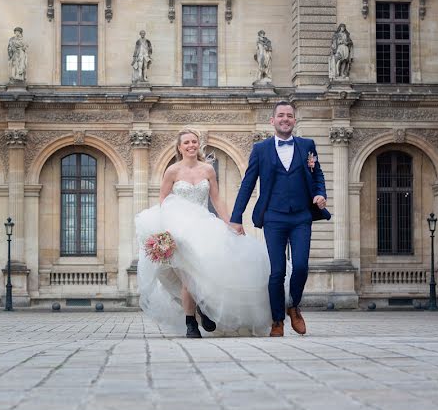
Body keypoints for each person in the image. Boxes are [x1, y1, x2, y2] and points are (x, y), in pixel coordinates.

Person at [135, 128, 272, 338]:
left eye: (194, 142)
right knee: (189, 279)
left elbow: (216, 199)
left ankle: (202, 308)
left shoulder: (208, 170)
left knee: (207, 273)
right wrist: (165, 228)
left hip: (204, 226)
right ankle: (191, 323)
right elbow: (163, 199)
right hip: (180, 229)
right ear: (180, 147)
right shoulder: (172, 171)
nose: (191, 145)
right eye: (186, 143)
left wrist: (232, 222)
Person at [230, 101, 330, 337]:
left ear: (295, 121)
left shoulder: (307, 145)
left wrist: (320, 194)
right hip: (273, 217)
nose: (285, 119)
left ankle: (293, 306)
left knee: (302, 266)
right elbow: (248, 184)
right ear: (272, 121)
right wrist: (236, 217)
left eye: (289, 116)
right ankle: (277, 321)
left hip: (301, 216)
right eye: (281, 115)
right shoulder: (261, 149)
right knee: (277, 272)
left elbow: (318, 175)